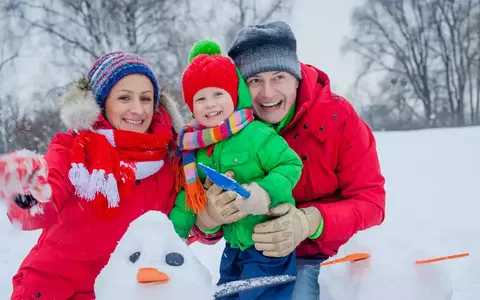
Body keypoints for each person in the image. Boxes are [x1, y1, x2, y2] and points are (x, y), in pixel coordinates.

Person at [191, 21, 386, 299]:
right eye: (255, 80)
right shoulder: (221, 132)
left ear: (296, 76)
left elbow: (371, 203)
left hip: (324, 258)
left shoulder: (338, 118)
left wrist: (311, 221)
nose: (268, 93)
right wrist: (209, 217)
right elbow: (188, 224)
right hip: (249, 260)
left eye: (279, 76)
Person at [0, 51, 184, 299]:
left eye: (146, 98)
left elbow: (184, 226)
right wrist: (28, 189)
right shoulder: (72, 149)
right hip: (54, 288)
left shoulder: (167, 160)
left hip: (121, 291)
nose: (138, 109)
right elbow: (42, 204)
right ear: (101, 102)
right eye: (124, 98)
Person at [169, 40, 303, 299]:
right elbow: (188, 196)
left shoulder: (256, 134)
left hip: (270, 245)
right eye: (201, 98)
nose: (210, 104)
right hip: (234, 248)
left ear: (235, 94)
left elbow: (290, 164)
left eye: (218, 94)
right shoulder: (194, 147)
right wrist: (174, 236)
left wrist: (264, 193)